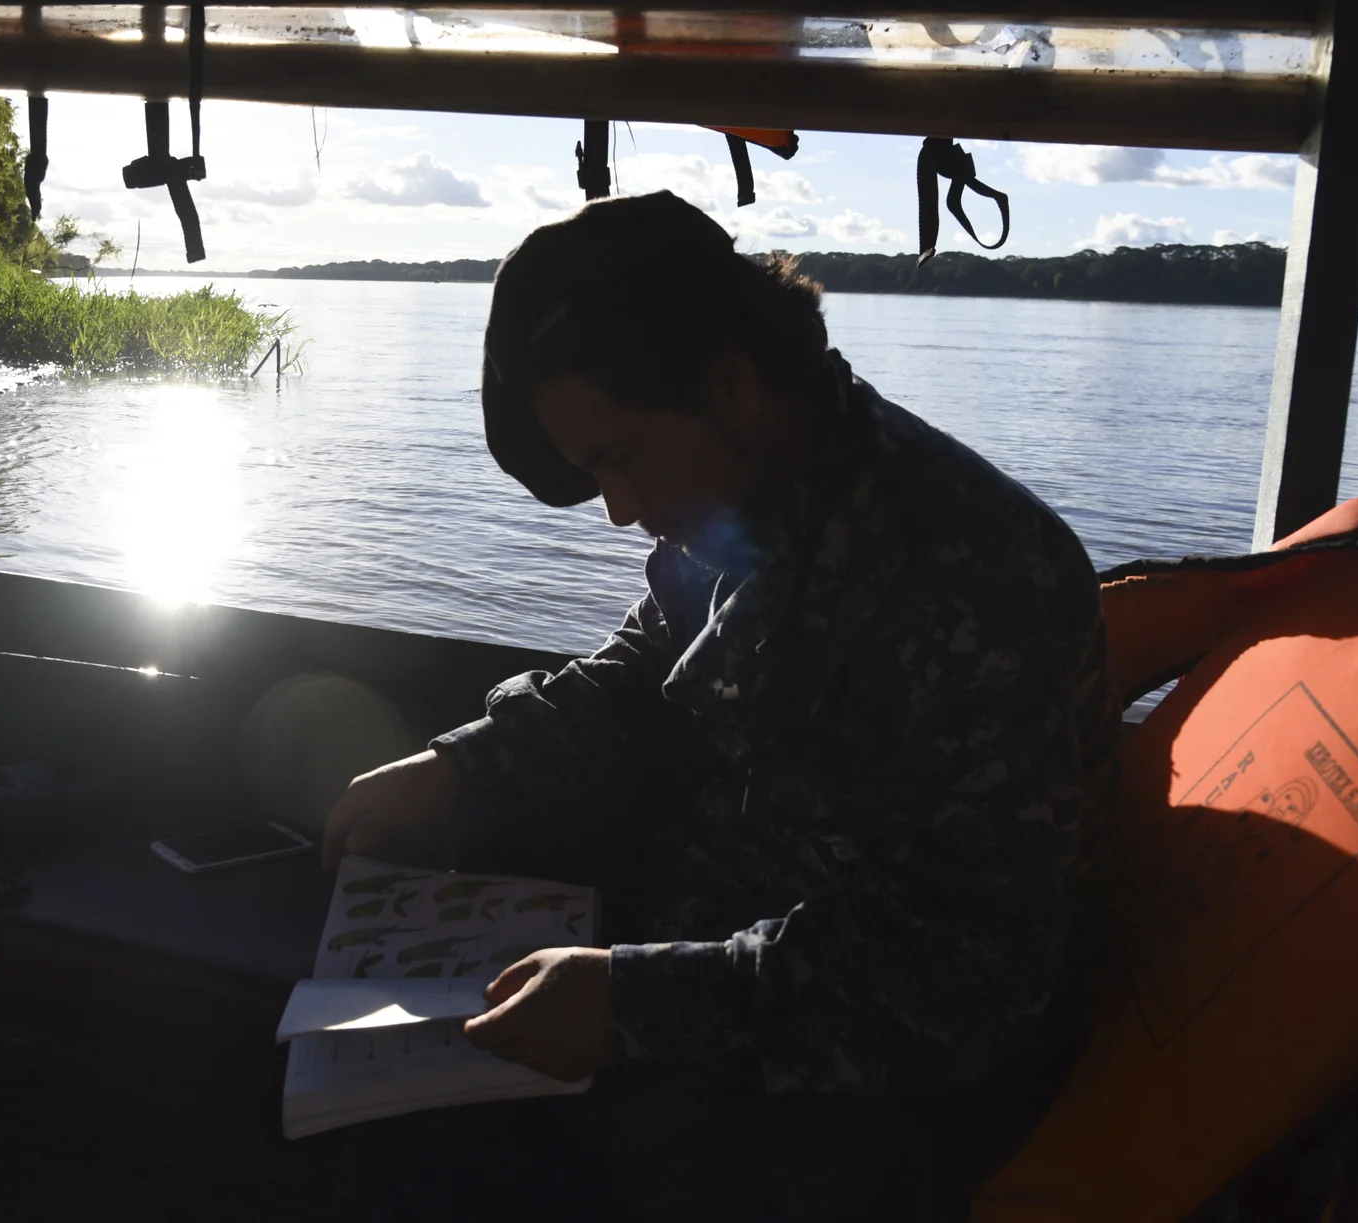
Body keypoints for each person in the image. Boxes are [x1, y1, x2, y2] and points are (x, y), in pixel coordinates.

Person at [319, 191, 1123, 1221]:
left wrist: (635, 1005)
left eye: (617, 459)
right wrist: (468, 759)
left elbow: (962, 983)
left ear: (731, 388)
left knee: (449, 1150)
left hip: (900, 1074)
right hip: (730, 934)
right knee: (450, 857)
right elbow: (655, 651)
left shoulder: (961, 580)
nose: (616, 510)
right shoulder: (754, 489)